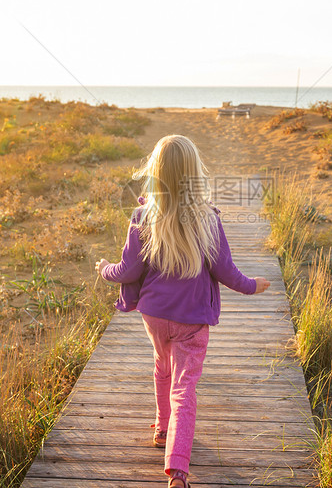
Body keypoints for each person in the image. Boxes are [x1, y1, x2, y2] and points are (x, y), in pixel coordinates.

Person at [95, 135, 270, 488]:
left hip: (154, 315)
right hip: (192, 320)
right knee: (184, 388)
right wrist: (252, 285)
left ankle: (162, 429)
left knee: (162, 366)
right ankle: (177, 469)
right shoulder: (208, 219)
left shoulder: (143, 216)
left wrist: (103, 268)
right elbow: (226, 271)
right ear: (195, 174)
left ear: (155, 172)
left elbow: (128, 271)